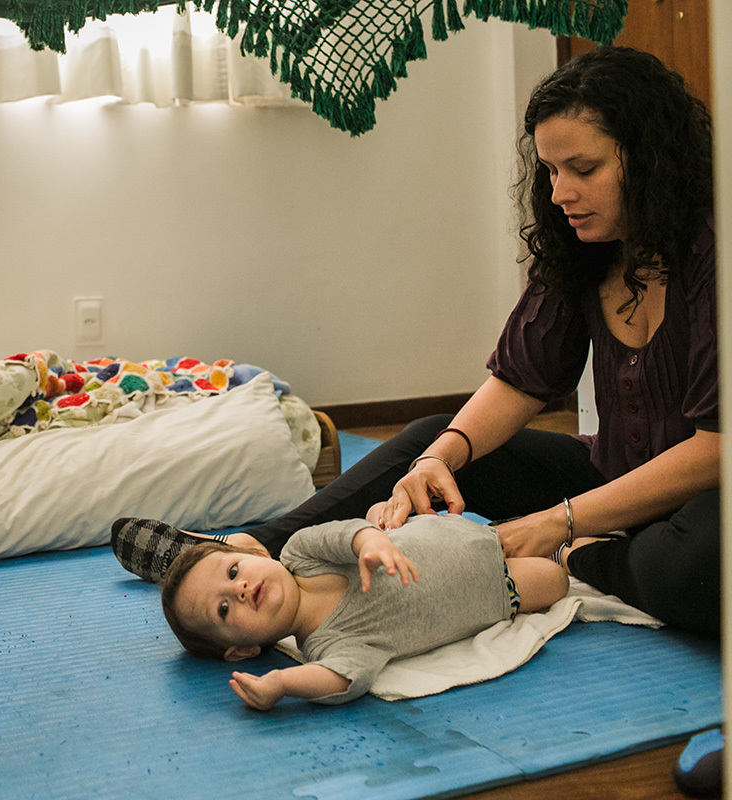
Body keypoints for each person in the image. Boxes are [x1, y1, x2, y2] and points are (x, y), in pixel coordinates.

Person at [114, 46, 719, 637]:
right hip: (610, 476)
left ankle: (584, 558)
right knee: (432, 437)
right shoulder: (584, 249)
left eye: (583, 170)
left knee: (696, 565)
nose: (560, 193)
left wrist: (556, 526)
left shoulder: (712, 250)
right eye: (551, 171)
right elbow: (519, 379)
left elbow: (716, 448)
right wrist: (441, 457)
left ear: (650, 158)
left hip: (704, 498)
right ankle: (258, 542)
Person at [160, 514, 568, 710]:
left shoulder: (300, 551)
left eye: (233, 571)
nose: (241, 588)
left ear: (253, 552)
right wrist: (282, 683)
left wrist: (369, 541)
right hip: (492, 587)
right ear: (242, 650)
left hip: (458, 531)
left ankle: (567, 530)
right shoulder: (326, 645)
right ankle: (581, 551)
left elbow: (343, 532)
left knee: (520, 531)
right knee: (555, 579)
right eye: (225, 608)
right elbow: (342, 679)